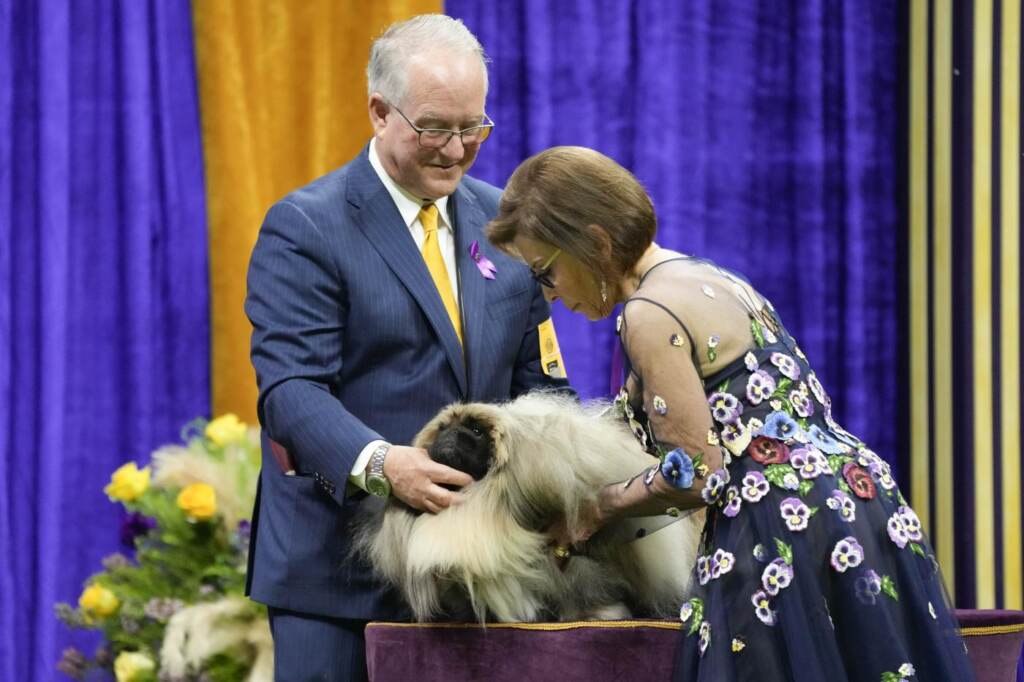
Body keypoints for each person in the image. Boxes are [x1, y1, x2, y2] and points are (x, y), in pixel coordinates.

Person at [486, 146, 974, 682]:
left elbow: (696, 473)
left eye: (545, 272)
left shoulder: (648, 314)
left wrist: (595, 510)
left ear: (595, 242)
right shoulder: (708, 277)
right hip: (859, 502)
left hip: (781, 525)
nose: (550, 296)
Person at [244, 15, 571, 681]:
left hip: (478, 577)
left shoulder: (503, 224)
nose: (455, 150)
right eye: (434, 128)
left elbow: (542, 385)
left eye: (473, 128)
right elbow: (291, 392)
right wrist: (384, 465)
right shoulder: (307, 226)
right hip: (337, 576)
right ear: (378, 111)